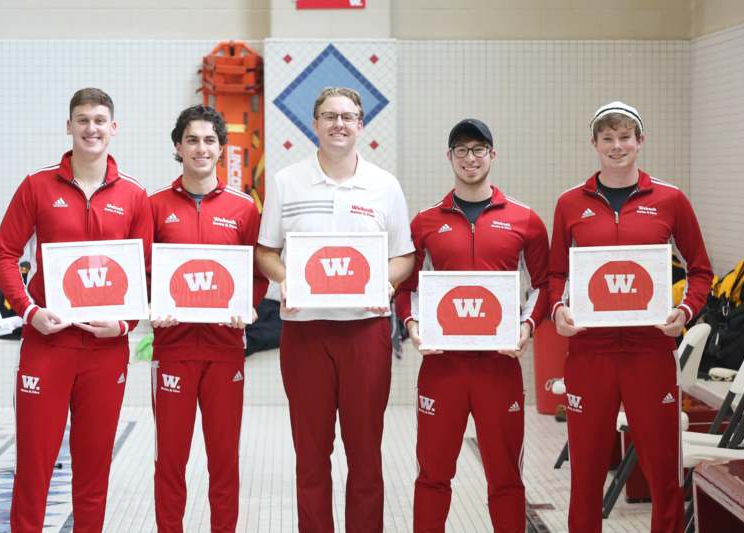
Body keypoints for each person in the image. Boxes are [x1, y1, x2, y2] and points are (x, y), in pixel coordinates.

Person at [0, 87, 153, 532]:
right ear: (69, 126)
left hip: (105, 350)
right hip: (48, 342)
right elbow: (4, 253)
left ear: (114, 128)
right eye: (82, 120)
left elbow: (146, 271)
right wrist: (28, 311)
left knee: (93, 468)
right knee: (34, 467)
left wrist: (124, 324)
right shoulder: (36, 186)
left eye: (100, 120)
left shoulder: (135, 196)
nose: (91, 128)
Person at [255, 87, 415, 532]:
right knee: (311, 455)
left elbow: (404, 255)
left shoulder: (385, 185)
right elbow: (266, 251)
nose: (338, 124)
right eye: (329, 116)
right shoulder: (288, 181)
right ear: (315, 123)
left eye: (347, 117)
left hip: (365, 332)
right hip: (305, 334)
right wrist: (288, 281)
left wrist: (383, 282)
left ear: (361, 125)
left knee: (365, 454)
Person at [549, 101, 713, 533]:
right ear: (595, 144)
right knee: (585, 476)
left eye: (625, 137)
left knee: (664, 474)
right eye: (608, 139)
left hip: (649, 354)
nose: (616, 146)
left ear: (640, 142)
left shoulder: (671, 199)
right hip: (589, 355)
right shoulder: (569, 204)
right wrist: (557, 308)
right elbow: (556, 273)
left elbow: (700, 270)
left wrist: (684, 311)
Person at [394, 119, 549, 533]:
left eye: (478, 149)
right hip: (443, 367)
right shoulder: (425, 223)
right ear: (449, 157)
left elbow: (546, 284)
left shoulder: (525, 220)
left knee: (505, 478)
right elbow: (406, 287)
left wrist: (527, 326)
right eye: (461, 150)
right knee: (433, 475)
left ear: (492, 155)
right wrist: (412, 324)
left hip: (499, 366)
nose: (470, 158)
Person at [148, 105, 267, 533]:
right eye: (192, 140)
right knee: (170, 460)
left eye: (210, 140)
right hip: (173, 350)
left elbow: (257, 272)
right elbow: (145, 271)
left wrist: (248, 307)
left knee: (224, 460)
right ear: (178, 147)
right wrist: (151, 305)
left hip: (225, 350)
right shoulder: (155, 206)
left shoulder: (242, 208)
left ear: (221, 148)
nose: (201, 148)